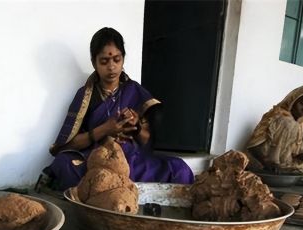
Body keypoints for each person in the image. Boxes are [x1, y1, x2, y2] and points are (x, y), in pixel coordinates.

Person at [40, 27, 194, 191]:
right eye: (104, 61)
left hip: (129, 161)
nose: (112, 67)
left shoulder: (134, 91)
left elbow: (147, 140)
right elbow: (68, 145)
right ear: (94, 62)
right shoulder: (85, 96)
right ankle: (116, 188)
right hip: (96, 160)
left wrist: (136, 127)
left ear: (123, 59)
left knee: (178, 168)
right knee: (63, 163)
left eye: (117, 59)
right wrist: (105, 129)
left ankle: (107, 189)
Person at [246, 85, 303, 175]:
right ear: (293, 100)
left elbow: (302, 150)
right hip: (265, 162)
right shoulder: (276, 117)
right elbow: (253, 146)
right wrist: (267, 162)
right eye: (302, 103)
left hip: (285, 164)